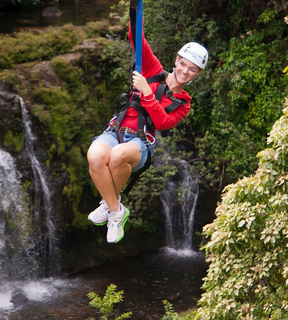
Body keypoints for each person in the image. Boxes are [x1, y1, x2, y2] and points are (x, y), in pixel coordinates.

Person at [86, 16, 208, 244]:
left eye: (192, 69)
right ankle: (115, 209)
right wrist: (134, 7)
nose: (185, 71)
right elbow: (136, 36)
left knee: (118, 156)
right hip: (116, 130)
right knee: (94, 155)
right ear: (177, 59)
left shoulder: (184, 103)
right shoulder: (152, 69)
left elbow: (162, 122)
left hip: (140, 144)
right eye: (183, 64)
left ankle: (110, 207)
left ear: (197, 74)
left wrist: (147, 92)